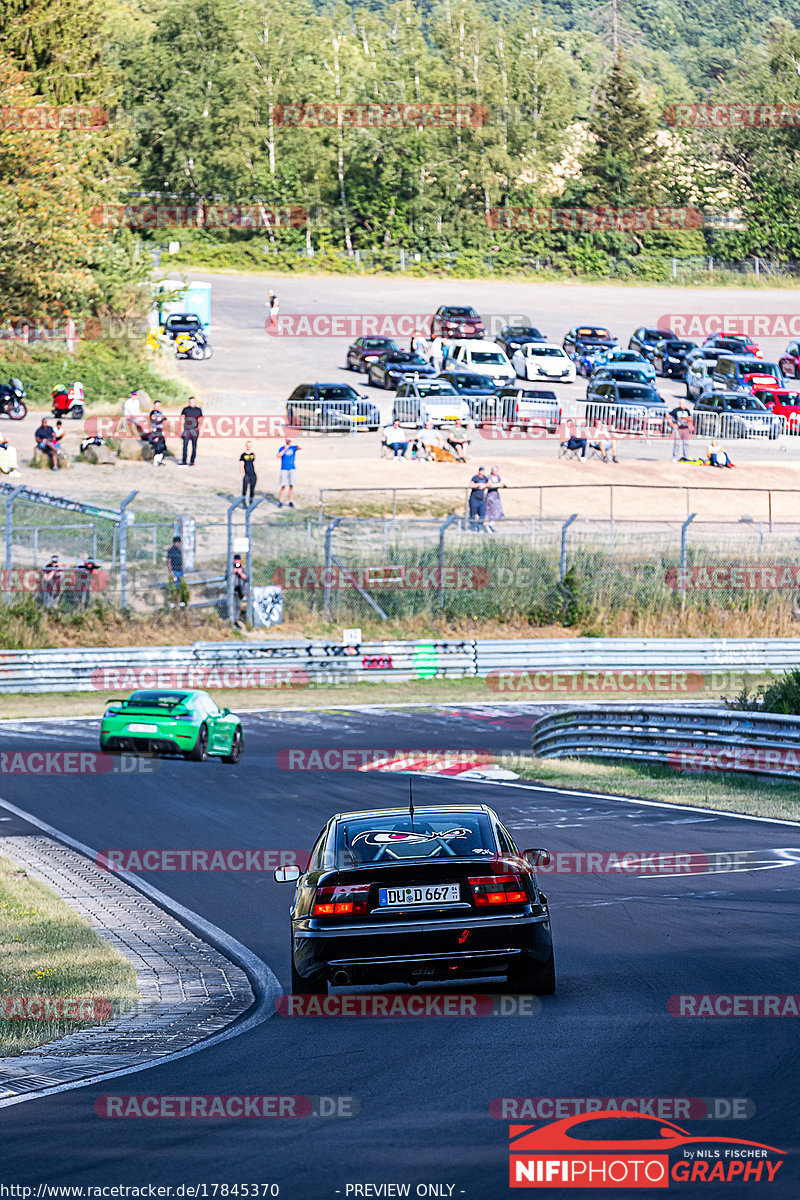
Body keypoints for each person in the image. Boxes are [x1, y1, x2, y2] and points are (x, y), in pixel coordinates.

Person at [669, 397, 695, 462]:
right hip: (678, 428)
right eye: (680, 403)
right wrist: (671, 423)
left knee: (686, 443)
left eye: (683, 403)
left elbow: (690, 419)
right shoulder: (676, 410)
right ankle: (675, 457)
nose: (681, 404)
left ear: (685, 403)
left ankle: (685, 456)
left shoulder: (687, 411)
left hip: (685, 428)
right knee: (677, 443)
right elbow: (668, 415)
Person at [180, 395, 203, 466]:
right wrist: (180, 429)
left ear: (195, 402)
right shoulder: (185, 409)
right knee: (185, 446)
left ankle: (192, 461)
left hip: (194, 430)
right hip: (187, 430)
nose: (191, 403)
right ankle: (184, 461)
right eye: (190, 401)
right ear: (189, 402)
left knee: (194, 446)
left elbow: (201, 420)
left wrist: (200, 429)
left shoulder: (198, 410)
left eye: (192, 401)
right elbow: (181, 419)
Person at [277, 436, 299, 506]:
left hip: (292, 468)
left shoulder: (293, 447)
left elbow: (301, 447)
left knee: (291, 485)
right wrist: (285, 449)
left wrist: (293, 441)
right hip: (284, 468)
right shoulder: (282, 448)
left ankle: (290, 501)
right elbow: (278, 455)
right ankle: (281, 501)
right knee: (283, 485)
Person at [469, 466, 489, 531]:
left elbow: (489, 484)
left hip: (482, 499)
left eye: (482, 471)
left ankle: (480, 526)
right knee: (473, 513)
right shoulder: (475, 478)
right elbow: (471, 485)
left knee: (482, 514)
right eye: (480, 471)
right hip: (474, 498)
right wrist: (478, 485)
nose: (481, 472)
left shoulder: (485, 478)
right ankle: (472, 527)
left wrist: (484, 485)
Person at [232, 553, 247, 625]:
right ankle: (232, 620)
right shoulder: (231, 567)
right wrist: (233, 571)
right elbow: (226, 576)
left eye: (238, 560)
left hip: (240, 590)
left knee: (238, 606)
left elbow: (245, 577)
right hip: (232, 590)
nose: (237, 562)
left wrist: (240, 572)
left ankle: (236, 620)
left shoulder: (242, 568)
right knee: (233, 605)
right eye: (236, 560)